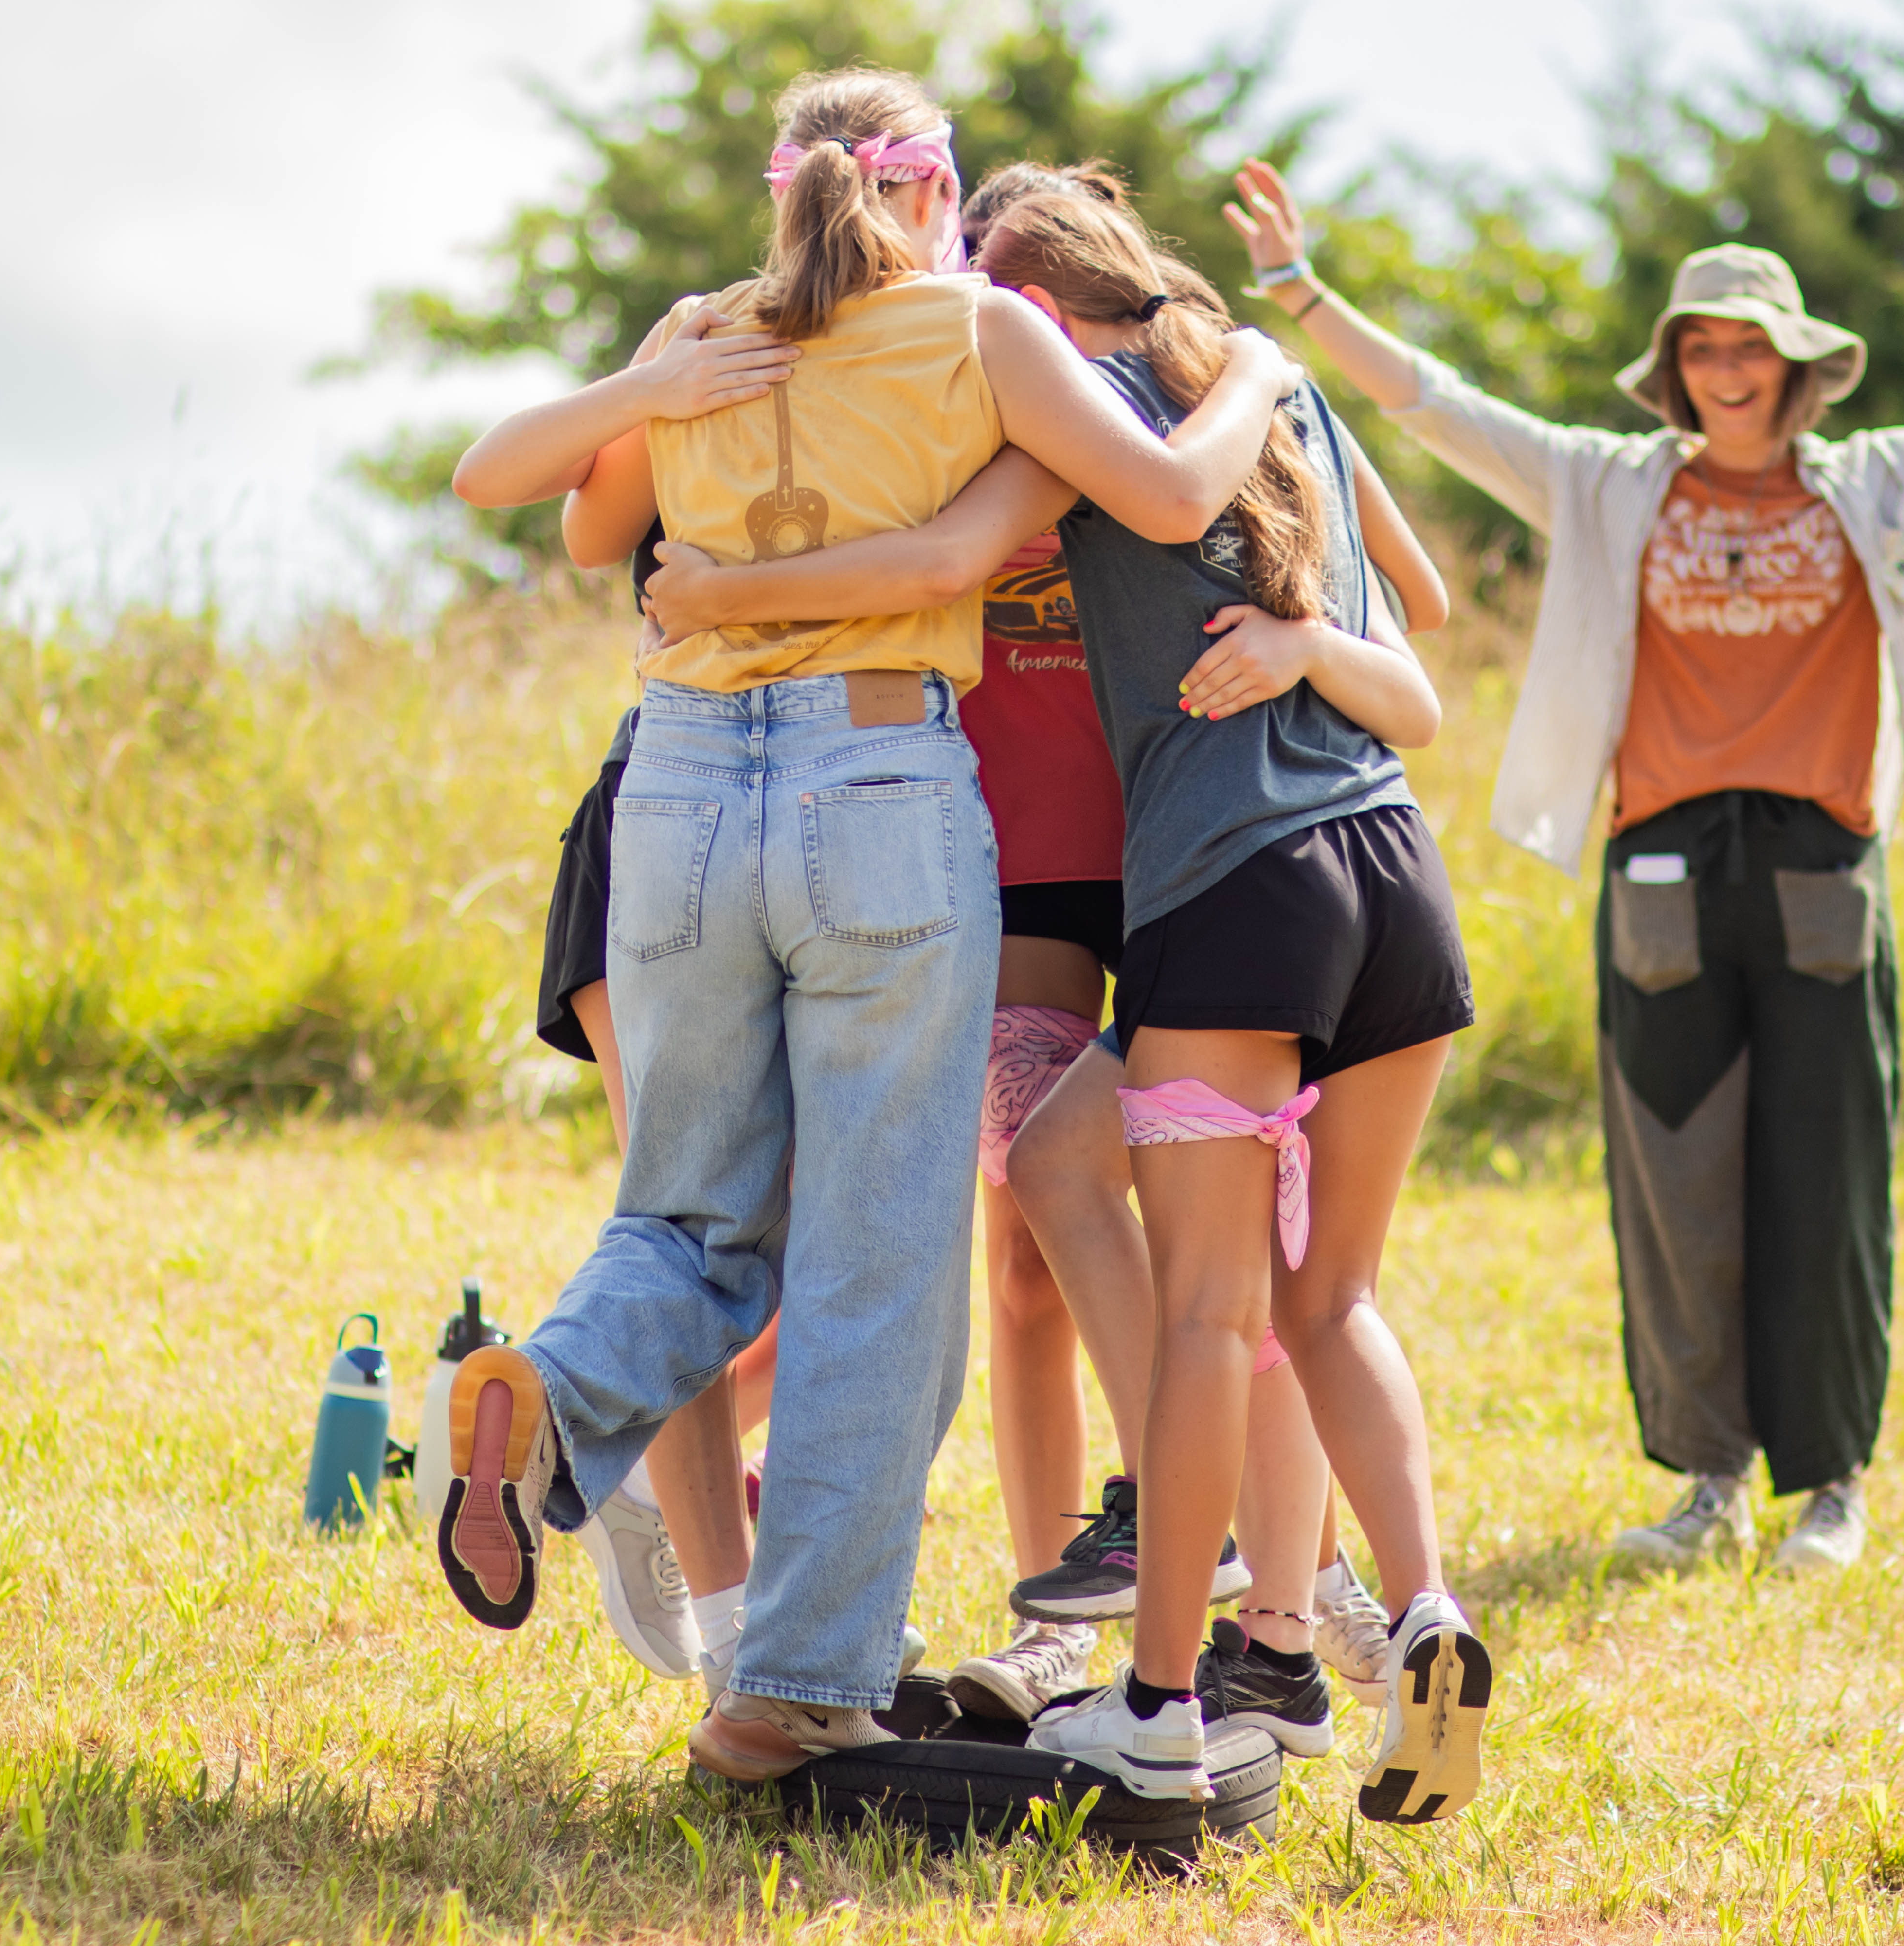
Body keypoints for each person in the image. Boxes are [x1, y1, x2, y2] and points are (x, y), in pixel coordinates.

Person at [433, 64, 1304, 1786]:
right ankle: (794, 1690)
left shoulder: (705, 332)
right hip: (876, 785)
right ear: (939, 191)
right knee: (881, 1261)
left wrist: (654, 388)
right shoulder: (978, 328)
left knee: (688, 1215)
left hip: (678, 795)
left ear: (783, 189)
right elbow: (1162, 498)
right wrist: (1266, 362)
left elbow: (565, 514)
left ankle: (552, 1391)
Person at [1217, 121, 1904, 1575]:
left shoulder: (1889, 479)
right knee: (1675, 1181)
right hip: (1661, 870)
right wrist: (1298, 288)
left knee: (1829, 1174)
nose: (1727, 372)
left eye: (1751, 347)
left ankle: (1832, 1487)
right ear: (1674, 368)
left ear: (1798, 364)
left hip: (1822, 867)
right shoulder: (1610, 482)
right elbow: (1437, 404)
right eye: (1702, 349)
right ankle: (1707, 1482)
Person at [655, 191, 1493, 1820]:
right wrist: (1301, 592)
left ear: (1031, 308)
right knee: (1298, 1281)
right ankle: (1421, 1619)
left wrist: (719, 594)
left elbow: (947, 557)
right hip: (1398, 878)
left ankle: (1168, 1699)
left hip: (1237, 892)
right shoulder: (1282, 398)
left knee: (1209, 1316)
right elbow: (1424, 634)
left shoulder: (1085, 415)